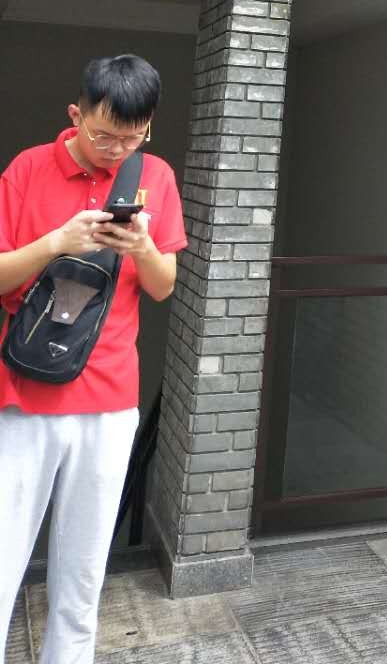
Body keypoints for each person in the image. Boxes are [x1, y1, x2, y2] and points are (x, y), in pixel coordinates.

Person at [0, 54, 187, 664]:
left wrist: (142, 246)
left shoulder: (154, 175)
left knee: (83, 570)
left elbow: (162, 286)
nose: (116, 150)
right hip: (25, 395)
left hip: (109, 399)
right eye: (104, 135)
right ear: (75, 115)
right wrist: (56, 243)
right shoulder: (28, 168)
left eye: (132, 138)